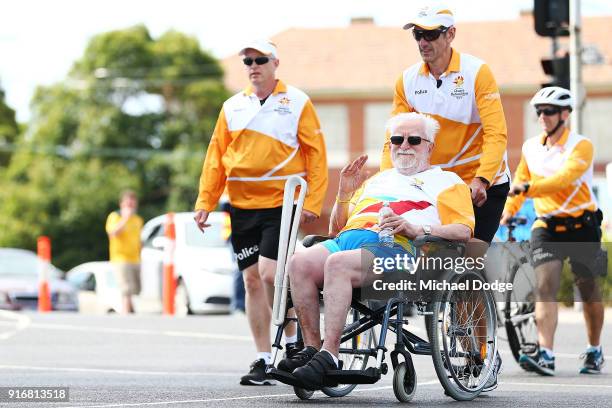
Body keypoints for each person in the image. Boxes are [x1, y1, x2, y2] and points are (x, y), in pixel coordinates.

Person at [275, 112, 503, 391]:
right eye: (397, 139)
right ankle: (312, 350)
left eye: (414, 139)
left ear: (430, 146)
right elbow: (337, 228)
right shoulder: (376, 181)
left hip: (398, 247)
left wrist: (416, 229)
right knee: (298, 262)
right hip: (349, 240)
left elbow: (463, 231)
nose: (404, 145)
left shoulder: (448, 181)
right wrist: (344, 193)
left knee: (337, 264)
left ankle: (330, 355)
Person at [193, 39, 328, 385]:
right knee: (251, 280)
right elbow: (215, 156)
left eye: (260, 59)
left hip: (281, 202)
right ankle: (263, 357)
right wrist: (205, 201)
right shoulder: (232, 107)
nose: (253, 65)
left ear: (275, 63)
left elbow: (316, 154)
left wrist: (313, 201)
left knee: (271, 274)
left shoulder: (297, 101)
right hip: (240, 205)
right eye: (248, 61)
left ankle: (296, 340)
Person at [381, 4, 510, 244]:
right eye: (417, 35)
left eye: (430, 34)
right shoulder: (406, 80)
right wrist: (387, 181)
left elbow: (496, 133)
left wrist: (482, 179)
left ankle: (495, 279)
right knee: (430, 257)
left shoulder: (477, 72)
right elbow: (393, 138)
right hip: (437, 183)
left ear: (450, 34)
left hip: (479, 182)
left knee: (471, 254)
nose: (423, 42)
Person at [501, 86, 605, 375]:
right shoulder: (530, 147)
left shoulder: (581, 146)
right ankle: (545, 353)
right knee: (545, 284)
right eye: (539, 112)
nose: (542, 117)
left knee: (587, 287)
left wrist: (528, 188)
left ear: (565, 114)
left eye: (548, 111)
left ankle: (595, 349)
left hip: (582, 224)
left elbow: (564, 180)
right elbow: (520, 184)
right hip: (547, 224)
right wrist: (507, 213)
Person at [105, 190, 144, 314]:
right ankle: (126, 313)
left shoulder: (138, 220)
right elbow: (113, 233)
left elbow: (139, 239)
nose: (130, 206)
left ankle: (130, 310)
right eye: (128, 204)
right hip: (120, 258)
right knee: (126, 288)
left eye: (132, 204)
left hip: (135, 258)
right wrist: (125, 218)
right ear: (121, 204)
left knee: (136, 289)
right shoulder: (115, 216)